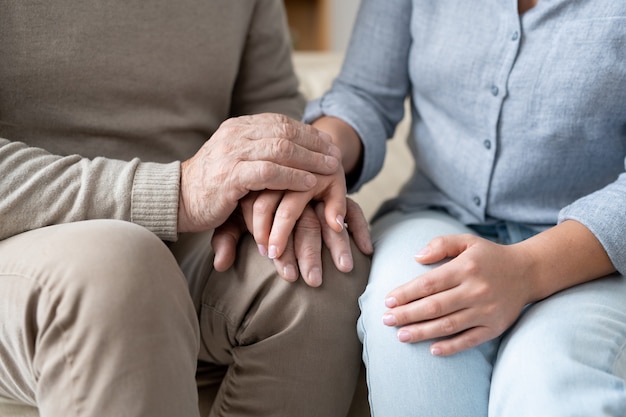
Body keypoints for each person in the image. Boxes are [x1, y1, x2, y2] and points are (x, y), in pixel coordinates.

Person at [0, 1, 373, 416]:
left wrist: (278, 191)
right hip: (24, 245)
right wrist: (177, 192)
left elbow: (270, 106)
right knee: (120, 269)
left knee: (320, 265)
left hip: (199, 248)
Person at [300, 0, 626, 415]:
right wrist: (314, 160)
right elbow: (364, 94)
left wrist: (527, 271)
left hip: (590, 250)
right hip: (436, 212)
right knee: (407, 319)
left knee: (547, 378)